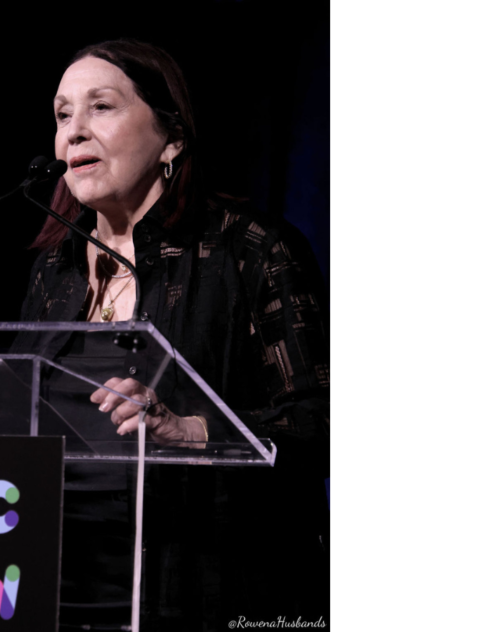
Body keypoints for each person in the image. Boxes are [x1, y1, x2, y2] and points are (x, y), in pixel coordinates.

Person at [17, 40, 329, 630]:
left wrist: (189, 429)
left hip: (213, 593)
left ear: (173, 138)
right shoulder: (54, 270)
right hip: (70, 592)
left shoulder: (254, 251)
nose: (73, 133)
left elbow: (325, 422)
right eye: (62, 115)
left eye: (100, 107)